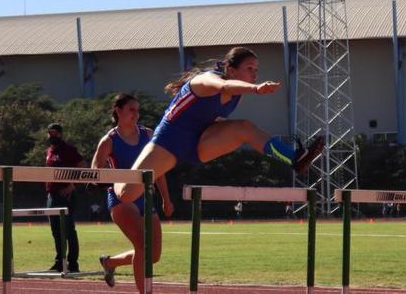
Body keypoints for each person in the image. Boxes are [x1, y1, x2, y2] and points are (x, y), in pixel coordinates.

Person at [114, 47, 326, 211]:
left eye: (257, 71)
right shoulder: (207, 79)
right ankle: (113, 176)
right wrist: (256, 90)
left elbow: (211, 116)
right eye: (249, 69)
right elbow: (224, 87)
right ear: (231, 70)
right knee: (126, 194)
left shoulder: (237, 95)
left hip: (199, 142)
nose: (254, 75)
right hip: (170, 141)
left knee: (245, 128)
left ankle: (295, 158)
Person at [94, 94, 174, 294]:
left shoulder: (148, 135)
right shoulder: (109, 140)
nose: (136, 114)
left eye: (138, 110)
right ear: (118, 111)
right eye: (131, 110)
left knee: (153, 255)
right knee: (143, 246)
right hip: (121, 200)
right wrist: (116, 179)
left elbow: (160, 170)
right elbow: (94, 173)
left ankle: (109, 262)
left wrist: (166, 198)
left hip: (146, 199)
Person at [45, 123, 85, 273]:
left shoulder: (69, 150)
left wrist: (72, 185)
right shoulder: (49, 151)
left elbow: (83, 167)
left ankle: (73, 263)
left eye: (54, 133)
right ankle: (59, 262)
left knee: (68, 230)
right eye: (49, 133)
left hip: (65, 195)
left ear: (60, 134)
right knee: (55, 231)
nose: (51, 136)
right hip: (52, 195)